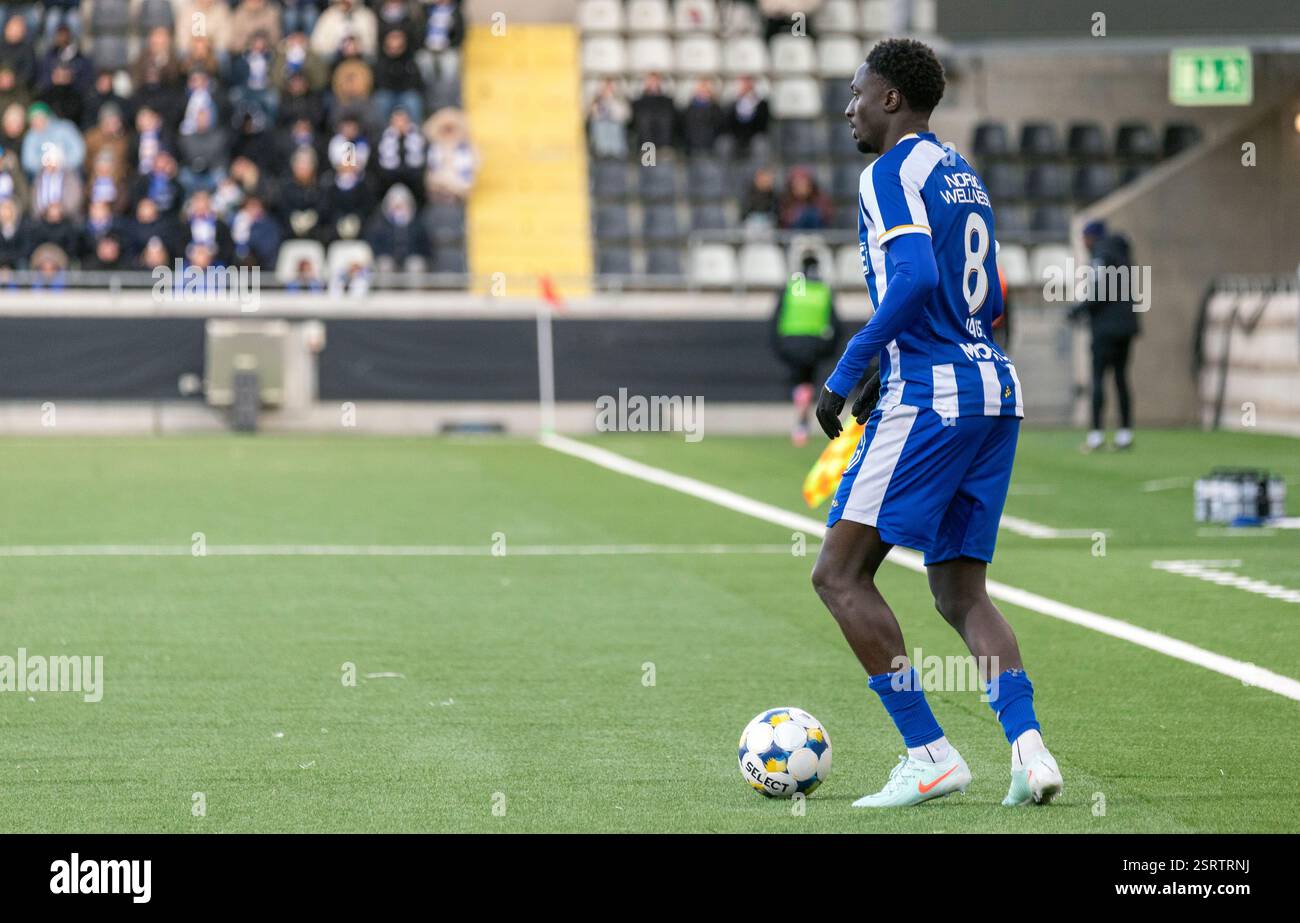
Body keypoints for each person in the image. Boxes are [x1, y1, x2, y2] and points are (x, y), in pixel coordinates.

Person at [810, 39, 1062, 809]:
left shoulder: (887, 171)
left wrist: (852, 366)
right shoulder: (961, 173)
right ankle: (1031, 750)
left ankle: (927, 751)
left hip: (935, 396)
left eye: (858, 92)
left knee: (839, 574)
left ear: (892, 99)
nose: (848, 106)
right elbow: (984, 297)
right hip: (994, 391)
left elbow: (916, 277)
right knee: (958, 591)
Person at [1069, 219, 1139, 452]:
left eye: (1085, 237)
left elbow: (1100, 292)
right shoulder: (1122, 252)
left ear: (1093, 237)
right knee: (1121, 379)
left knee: (1098, 379)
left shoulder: (1101, 255)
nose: (1084, 243)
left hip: (1105, 328)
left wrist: (1078, 310)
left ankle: (1097, 435)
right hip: (1127, 325)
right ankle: (1125, 434)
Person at [771, 253, 840, 446]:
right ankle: (802, 421)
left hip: (791, 341)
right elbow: (835, 322)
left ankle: (801, 421)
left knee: (798, 382)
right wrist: (829, 347)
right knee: (807, 382)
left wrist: (778, 344)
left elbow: (776, 318)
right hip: (814, 343)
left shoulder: (791, 288)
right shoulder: (823, 290)